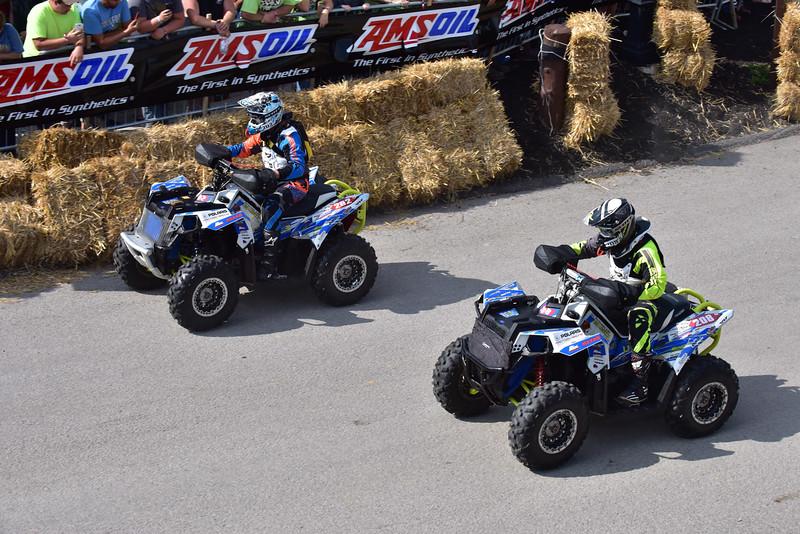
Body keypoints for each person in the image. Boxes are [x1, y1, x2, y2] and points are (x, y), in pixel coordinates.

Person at [566, 198, 668, 406]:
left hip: (645, 297)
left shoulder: (645, 249)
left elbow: (658, 283)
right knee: (580, 299)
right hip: (619, 292)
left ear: (622, 228)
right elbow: (585, 247)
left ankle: (641, 384)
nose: (604, 235)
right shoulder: (613, 239)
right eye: (602, 230)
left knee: (638, 315)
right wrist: (561, 253)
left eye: (608, 230)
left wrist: (633, 295)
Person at [225, 91, 311, 279]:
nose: (253, 119)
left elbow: (298, 166)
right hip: (271, 181)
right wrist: (221, 152)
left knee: (271, 208)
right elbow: (243, 149)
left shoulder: (289, 136)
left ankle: (269, 264)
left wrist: (276, 174)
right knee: (241, 200)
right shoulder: (265, 134)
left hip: (294, 184)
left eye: (257, 116)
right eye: (253, 116)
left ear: (270, 115)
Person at [22, 0, 85, 65]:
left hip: (60, 55)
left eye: (71, 4)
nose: (70, 8)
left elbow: (79, 33)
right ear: (55, 2)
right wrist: (67, 40)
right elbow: (39, 45)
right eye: (67, 5)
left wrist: (79, 47)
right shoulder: (38, 12)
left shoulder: (73, 8)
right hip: (35, 61)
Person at [240, 0, 309, 24]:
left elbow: (289, 6)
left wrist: (274, 13)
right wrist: (264, 18)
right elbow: (246, 14)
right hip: (252, 25)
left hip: (277, 24)